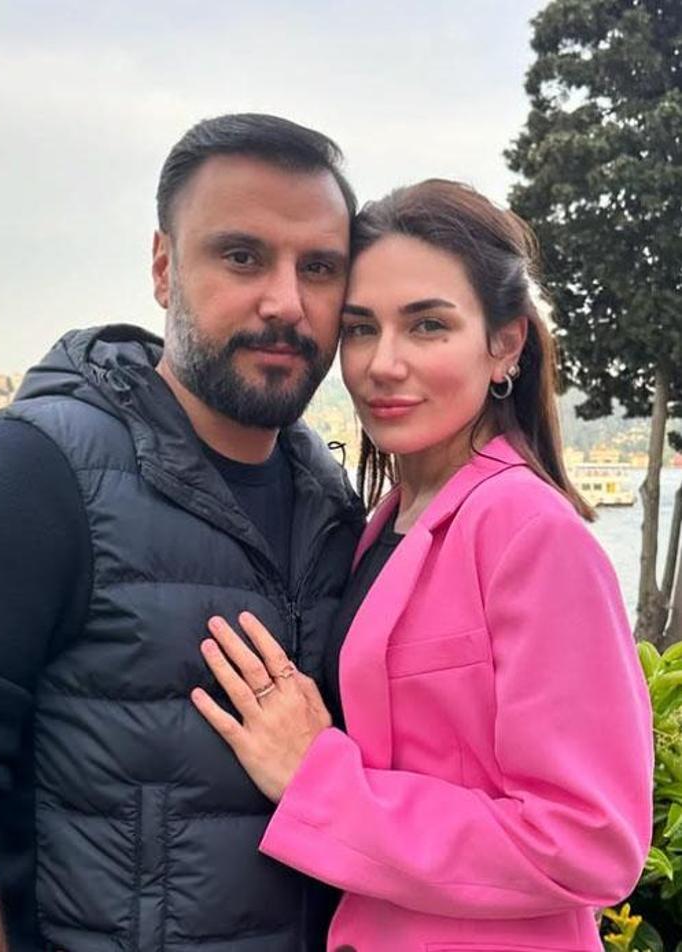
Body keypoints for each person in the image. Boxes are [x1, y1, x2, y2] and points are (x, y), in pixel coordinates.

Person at [0, 114, 366, 951]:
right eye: (242, 257)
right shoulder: (39, 471)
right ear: (164, 268)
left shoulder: (333, 506)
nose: (285, 302)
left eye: (319, 268)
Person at [191, 179, 655, 952]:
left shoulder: (530, 533)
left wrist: (317, 779)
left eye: (428, 325)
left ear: (504, 344)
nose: (383, 364)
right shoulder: (386, 523)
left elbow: (592, 839)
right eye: (360, 328)